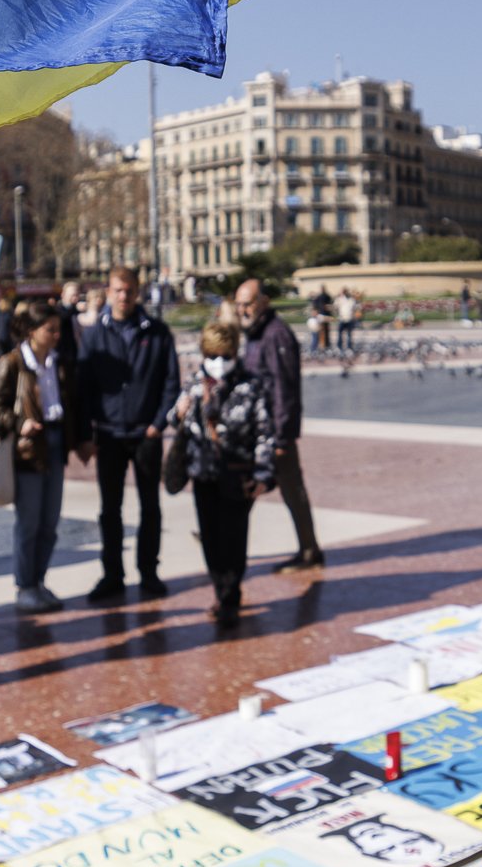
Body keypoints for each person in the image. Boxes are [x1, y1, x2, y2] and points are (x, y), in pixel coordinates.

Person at [78, 267, 179, 604]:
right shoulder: (93, 335)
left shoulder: (159, 332)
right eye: (118, 290)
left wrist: (158, 424)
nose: (124, 296)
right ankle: (112, 574)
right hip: (108, 434)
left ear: (138, 292)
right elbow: (83, 385)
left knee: (150, 505)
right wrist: (86, 431)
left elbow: (171, 382)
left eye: (130, 290)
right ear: (108, 292)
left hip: (144, 433)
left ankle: (148, 571)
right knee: (110, 509)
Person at [176, 319, 277, 628]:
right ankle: (221, 588)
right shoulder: (195, 383)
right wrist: (178, 412)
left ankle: (229, 596)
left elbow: (265, 432)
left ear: (235, 353)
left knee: (233, 536)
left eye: (224, 355)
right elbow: (176, 419)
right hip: (204, 471)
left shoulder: (251, 385)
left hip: (238, 471)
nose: (217, 363)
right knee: (209, 537)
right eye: (211, 355)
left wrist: (263, 474)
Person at [0, 302, 89, 613]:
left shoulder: (59, 362)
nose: (57, 335)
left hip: (55, 443)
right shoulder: (12, 363)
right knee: (29, 522)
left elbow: (70, 402)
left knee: (50, 522)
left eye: (59, 329)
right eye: (51, 330)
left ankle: (39, 579)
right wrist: (20, 423)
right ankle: (25, 585)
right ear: (32, 331)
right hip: (28, 450)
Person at [228, 277, 324, 573]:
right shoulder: (256, 333)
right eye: (239, 304)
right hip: (257, 431)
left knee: (291, 489)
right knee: (254, 487)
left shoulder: (275, 335)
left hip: (273, 432)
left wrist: (282, 438)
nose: (243, 310)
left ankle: (309, 551)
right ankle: (226, 539)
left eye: (248, 304)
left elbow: (284, 389)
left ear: (264, 302)